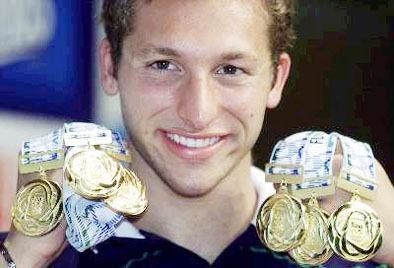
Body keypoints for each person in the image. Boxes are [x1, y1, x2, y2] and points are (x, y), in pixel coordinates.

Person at [1, 0, 394, 267]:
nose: (198, 112)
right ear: (109, 66)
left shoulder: (355, 249)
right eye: (163, 65)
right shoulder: (31, 254)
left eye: (230, 70)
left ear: (277, 79)